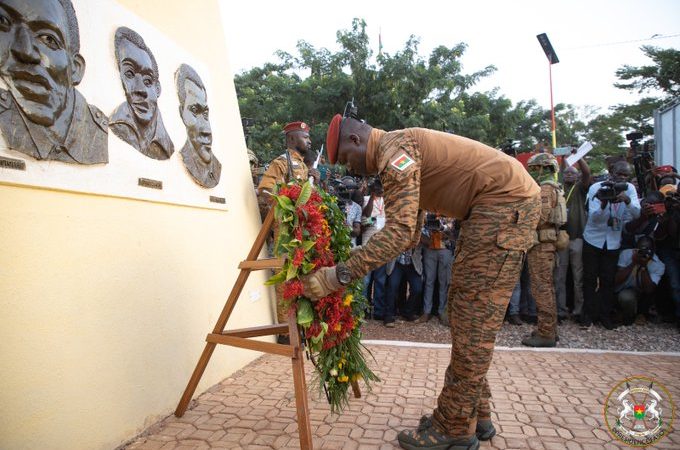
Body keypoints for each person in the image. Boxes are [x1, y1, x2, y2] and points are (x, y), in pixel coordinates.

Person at [302, 113, 540, 450]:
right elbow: (410, 229)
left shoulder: (394, 149)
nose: (350, 171)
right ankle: (474, 412)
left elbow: (398, 232)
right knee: (464, 313)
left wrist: (336, 276)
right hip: (494, 205)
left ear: (356, 140)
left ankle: (454, 427)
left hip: (503, 205)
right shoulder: (398, 151)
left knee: (474, 318)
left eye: (346, 160)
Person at [0, 0, 108, 164]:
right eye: (3, 22)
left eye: (48, 38)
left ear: (75, 69)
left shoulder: (97, 132)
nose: (25, 51)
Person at [257, 121, 311, 340]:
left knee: (303, 276)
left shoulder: (304, 166)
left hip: (304, 229)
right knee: (285, 276)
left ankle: (301, 325)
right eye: (304, 137)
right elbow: (265, 190)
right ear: (291, 139)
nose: (309, 140)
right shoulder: (281, 163)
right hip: (286, 229)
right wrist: (287, 204)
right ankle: (285, 330)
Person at [581, 161, 641, 329]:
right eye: (619, 173)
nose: (622, 177)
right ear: (610, 171)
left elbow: (636, 214)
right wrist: (603, 204)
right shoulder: (597, 188)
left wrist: (627, 200)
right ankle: (587, 315)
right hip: (593, 239)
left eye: (625, 175)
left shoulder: (629, 188)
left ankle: (605, 315)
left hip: (613, 241)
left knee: (608, 280)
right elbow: (593, 217)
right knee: (590, 278)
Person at [521, 153, 566, 347]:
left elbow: (541, 216)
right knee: (546, 287)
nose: (532, 172)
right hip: (547, 243)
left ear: (544, 168)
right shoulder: (556, 187)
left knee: (541, 289)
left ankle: (546, 333)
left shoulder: (546, 189)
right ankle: (549, 329)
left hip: (541, 244)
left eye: (534, 168)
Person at [110, 27, 174, 160]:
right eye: (129, 74)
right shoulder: (116, 124)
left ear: (157, 89)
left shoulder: (167, 146)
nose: (140, 90)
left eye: (147, 81)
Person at [554, 155, 591, 321]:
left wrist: (579, 157)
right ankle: (560, 310)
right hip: (561, 237)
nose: (569, 175)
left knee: (578, 277)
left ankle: (578, 310)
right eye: (566, 172)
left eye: (572, 173)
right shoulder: (558, 189)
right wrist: (563, 158)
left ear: (577, 176)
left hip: (577, 237)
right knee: (559, 276)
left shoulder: (580, 189)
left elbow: (587, 173)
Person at [175, 64, 221, 188]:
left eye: (205, 113)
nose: (207, 130)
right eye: (194, 111)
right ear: (181, 114)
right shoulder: (184, 158)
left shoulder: (217, 167)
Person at [615, 236, 665, 325]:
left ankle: (633, 315)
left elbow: (649, 289)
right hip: (620, 289)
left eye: (647, 249)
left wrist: (644, 266)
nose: (644, 252)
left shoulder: (659, 265)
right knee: (623, 296)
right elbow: (616, 280)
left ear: (653, 250)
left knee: (627, 297)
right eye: (641, 249)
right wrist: (633, 262)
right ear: (636, 248)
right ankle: (621, 313)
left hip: (641, 295)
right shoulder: (626, 254)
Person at [418, 213, 454, 326]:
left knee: (443, 282)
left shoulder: (450, 211)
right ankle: (426, 311)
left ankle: (442, 311)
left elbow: (453, 230)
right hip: (430, 248)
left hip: (445, 249)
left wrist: (444, 229)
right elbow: (420, 229)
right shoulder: (428, 212)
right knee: (429, 281)